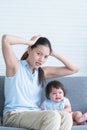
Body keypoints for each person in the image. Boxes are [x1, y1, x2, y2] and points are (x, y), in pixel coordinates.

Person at [2, 34, 80, 130]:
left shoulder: (42, 72)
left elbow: (74, 69)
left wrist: (53, 53)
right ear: (29, 50)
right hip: (14, 114)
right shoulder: (15, 66)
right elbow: (6, 39)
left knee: (66, 117)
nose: (42, 59)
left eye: (46, 56)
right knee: (53, 116)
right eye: (39, 54)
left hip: (36, 114)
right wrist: (30, 42)